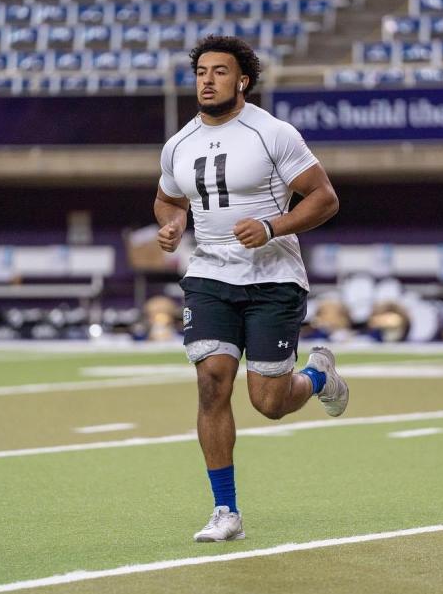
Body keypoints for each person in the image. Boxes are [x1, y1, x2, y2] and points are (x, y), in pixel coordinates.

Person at [154, 35, 349, 542]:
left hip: (272, 279)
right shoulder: (179, 143)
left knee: (269, 401)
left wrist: (272, 226)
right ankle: (226, 512)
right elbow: (167, 198)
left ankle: (319, 378)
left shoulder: (272, 133)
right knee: (212, 383)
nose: (207, 79)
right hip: (209, 277)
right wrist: (173, 225)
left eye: (219, 71)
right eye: (200, 71)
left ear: (242, 80)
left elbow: (324, 198)